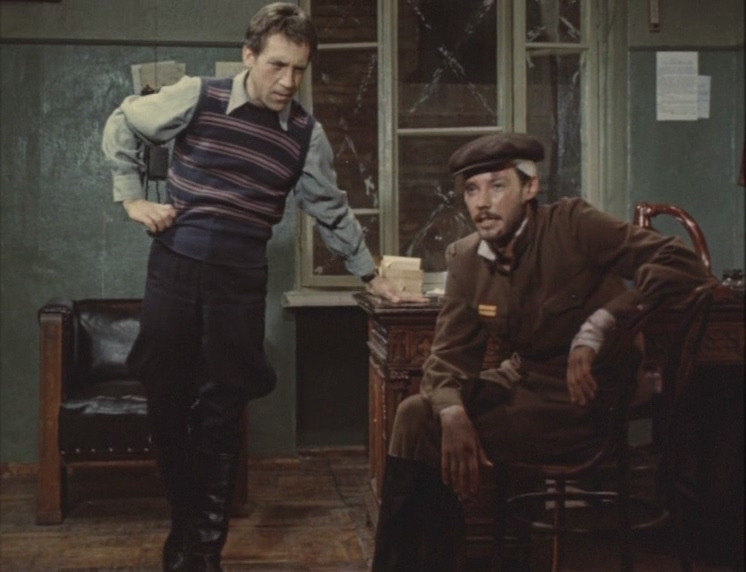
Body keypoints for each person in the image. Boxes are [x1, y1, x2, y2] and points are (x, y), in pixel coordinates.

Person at [102, 3, 423, 571]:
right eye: (278, 65)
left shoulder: (305, 135)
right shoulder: (198, 95)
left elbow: (329, 209)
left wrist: (372, 276)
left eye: (299, 69)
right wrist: (132, 200)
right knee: (166, 398)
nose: (288, 81)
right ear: (248, 56)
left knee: (223, 407)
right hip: (175, 266)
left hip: (241, 279)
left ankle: (205, 550)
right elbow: (124, 121)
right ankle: (185, 526)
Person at [370, 132, 710, 571]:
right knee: (416, 415)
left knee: (423, 426)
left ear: (530, 187)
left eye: (497, 186)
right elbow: (449, 356)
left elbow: (682, 263)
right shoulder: (468, 260)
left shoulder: (574, 225)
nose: (482, 203)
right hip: (525, 387)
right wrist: (452, 411)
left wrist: (600, 324)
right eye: (471, 190)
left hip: (590, 401)